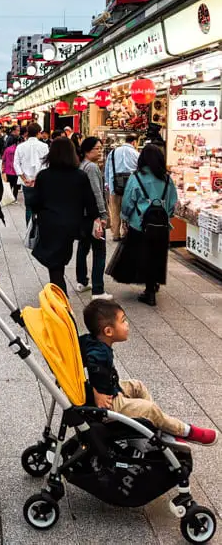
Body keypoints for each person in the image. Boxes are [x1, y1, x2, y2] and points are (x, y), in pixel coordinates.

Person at [80, 299, 218, 444]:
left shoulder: (91, 340)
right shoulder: (99, 352)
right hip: (110, 404)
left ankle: (157, 426)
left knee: (136, 385)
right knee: (149, 409)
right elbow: (94, 365)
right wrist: (98, 390)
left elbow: (80, 347)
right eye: (123, 321)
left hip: (112, 389)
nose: (127, 324)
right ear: (108, 331)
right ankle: (186, 431)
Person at [109, 144, 178, 306]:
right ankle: (153, 284)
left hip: (139, 224)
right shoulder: (167, 178)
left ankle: (149, 291)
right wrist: (166, 216)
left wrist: (125, 218)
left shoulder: (136, 177)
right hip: (161, 225)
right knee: (158, 255)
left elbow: (128, 201)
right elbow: (172, 202)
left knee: (143, 255)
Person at [31, 138, 100, 294]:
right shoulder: (80, 176)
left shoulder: (43, 176)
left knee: (55, 265)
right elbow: (90, 202)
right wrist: (96, 219)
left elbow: (35, 202)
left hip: (49, 224)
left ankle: (61, 299)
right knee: (59, 262)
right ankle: (59, 295)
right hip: (71, 225)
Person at [76, 137, 111, 300]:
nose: (100, 151)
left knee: (83, 248)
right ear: (87, 150)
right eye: (97, 148)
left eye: (101, 148)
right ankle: (98, 289)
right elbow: (97, 193)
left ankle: (82, 281)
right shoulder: (92, 168)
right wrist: (102, 215)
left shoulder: (82, 165)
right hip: (93, 216)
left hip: (83, 216)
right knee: (99, 251)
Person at [104, 134, 139, 241]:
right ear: (134, 142)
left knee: (115, 210)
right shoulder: (136, 154)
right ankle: (126, 232)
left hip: (115, 185)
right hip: (131, 187)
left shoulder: (113, 152)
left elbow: (107, 168)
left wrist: (107, 183)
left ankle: (115, 234)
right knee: (128, 209)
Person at [13, 123, 49, 225]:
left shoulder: (20, 147)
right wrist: (37, 179)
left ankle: (30, 231)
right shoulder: (44, 146)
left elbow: (16, 164)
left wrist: (24, 179)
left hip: (26, 182)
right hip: (41, 182)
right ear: (38, 133)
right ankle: (39, 232)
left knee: (28, 207)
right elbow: (46, 165)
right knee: (41, 207)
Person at [2, 135, 20, 202]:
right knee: (16, 186)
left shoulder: (7, 149)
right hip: (16, 170)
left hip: (8, 170)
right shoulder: (18, 149)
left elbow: (4, 159)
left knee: (9, 185)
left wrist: (3, 170)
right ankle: (14, 198)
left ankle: (9, 198)